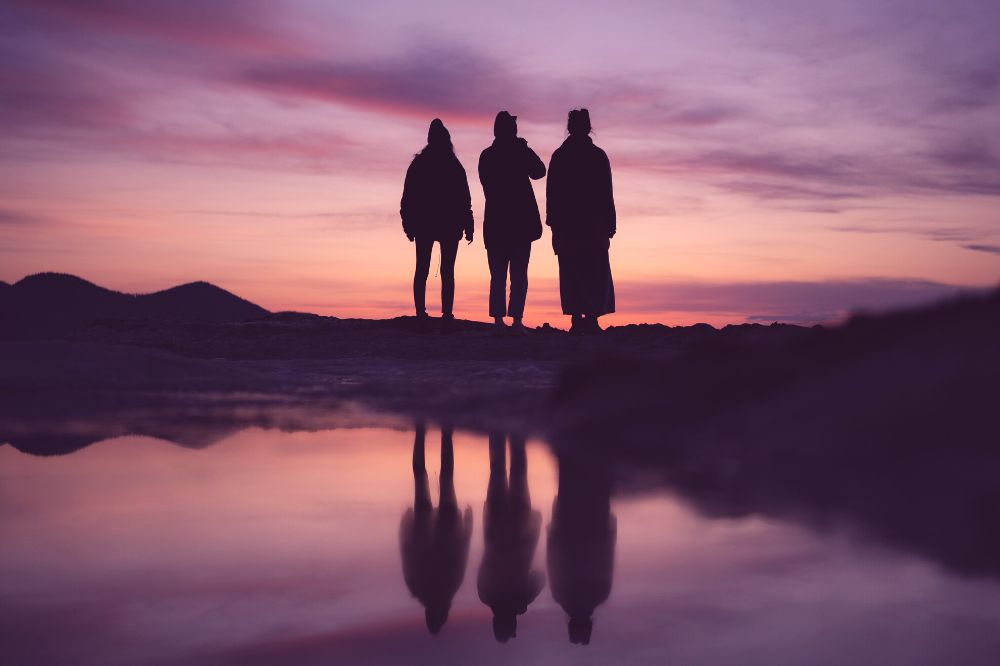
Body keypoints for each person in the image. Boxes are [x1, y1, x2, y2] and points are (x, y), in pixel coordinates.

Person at [545, 109, 616, 334]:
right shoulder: (597, 155)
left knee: (571, 269)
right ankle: (591, 318)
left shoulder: (560, 155)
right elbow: (607, 192)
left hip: (567, 224)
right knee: (593, 269)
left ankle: (577, 318)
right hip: (593, 223)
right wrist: (610, 222)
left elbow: (552, 193)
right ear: (587, 127)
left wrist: (553, 222)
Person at [399, 422, 474, 635]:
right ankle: (423, 432)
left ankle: (444, 432)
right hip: (427, 529)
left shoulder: (448, 588)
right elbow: (407, 552)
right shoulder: (418, 588)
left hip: (443, 529)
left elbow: (461, 555)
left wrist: (467, 525)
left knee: (445, 477)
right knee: (422, 476)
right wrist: (405, 525)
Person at [400, 119, 474, 329]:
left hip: (426, 223)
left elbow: (408, 197)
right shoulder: (453, 165)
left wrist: (408, 223)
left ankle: (421, 314)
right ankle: (446, 314)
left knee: (422, 268)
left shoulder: (420, 164)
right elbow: (464, 198)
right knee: (446, 270)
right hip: (447, 224)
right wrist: (467, 224)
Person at [478, 111, 546, 334]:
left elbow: (538, 172)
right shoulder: (517, 152)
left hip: (499, 222)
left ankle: (499, 321)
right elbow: (539, 171)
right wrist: (523, 148)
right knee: (517, 274)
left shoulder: (487, 156)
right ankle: (515, 321)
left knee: (499, 275)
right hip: (518, 223)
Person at [477, 432, 545, 642]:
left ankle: (517, 432)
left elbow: (539, 577)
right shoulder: (486, 596)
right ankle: (499, 430)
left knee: (518, 473)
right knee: (497, 472)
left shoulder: (520, 599)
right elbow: (482, 568)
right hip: (496, 529)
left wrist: (524, 601)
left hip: (520, 530)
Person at [547, 451, 616, 646]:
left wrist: (610, 531)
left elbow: (606, 557)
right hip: (567, 529)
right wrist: (552, 534)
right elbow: (554, 559)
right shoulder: (560, 595)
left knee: (598, 479)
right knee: (569, 477)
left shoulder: (600, 594)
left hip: (595, 528)